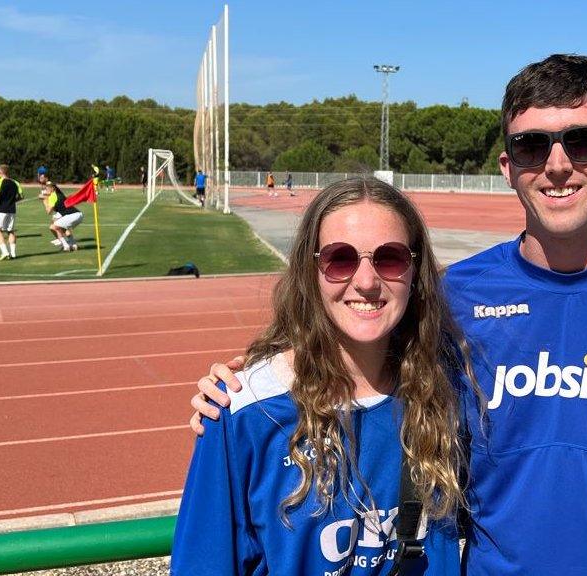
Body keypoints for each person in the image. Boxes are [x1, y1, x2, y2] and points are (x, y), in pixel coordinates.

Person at [191, 55, 587, 575]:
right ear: (507, 166)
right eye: (532, 146)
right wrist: (242, 386)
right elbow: (354, 335)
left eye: (584, 142)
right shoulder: (449, 300)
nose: (558, 165)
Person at [173, 177, 472, 575]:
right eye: (341, 258)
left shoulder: (450, 390)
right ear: (310, 270)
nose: (366, 282)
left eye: (390, 258)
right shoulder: (244, 409)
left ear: (415, 271)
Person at [0, 164, 21, 260]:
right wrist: (11, 201)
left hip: (1, 210)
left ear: (0, 172)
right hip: (12, 210)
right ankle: (13, 254)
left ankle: (5, 252)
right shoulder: (15, 183)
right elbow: (20, 196)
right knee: (10, 231)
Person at [40, 180, 82, 251]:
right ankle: (74, 245)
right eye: (46, 187)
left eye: (48, 187)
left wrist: (44, 200)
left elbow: (49, 212)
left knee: (53, 227)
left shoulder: (53, 197)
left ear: (53, 188)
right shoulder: (58, 193)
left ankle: (66, 246)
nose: (46, 189)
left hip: (72, 215)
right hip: (77, 214)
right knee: (63, 228)